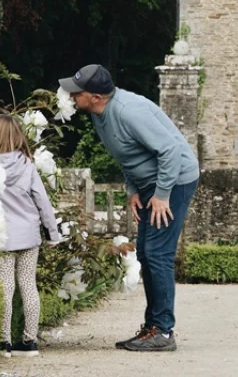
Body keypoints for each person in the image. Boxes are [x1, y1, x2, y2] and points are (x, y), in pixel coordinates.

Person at [59, 64, 199, 352]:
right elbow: (126, 154)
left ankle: (163, 331)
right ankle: (153, 328)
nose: (71, 96)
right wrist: (133, 190)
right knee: (147, 253)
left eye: (77, 92)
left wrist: (162, 195)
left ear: (95, 96)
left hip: (175, 181)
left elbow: (170, 150)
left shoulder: (127, 112)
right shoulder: (100, 115)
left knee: (158, 254)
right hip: (151, 184)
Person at [0, 114, 60, 358]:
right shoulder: (28, 164)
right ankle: (29, 341)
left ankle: (4, 342)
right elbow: (42, 202)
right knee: (28, 285)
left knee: (5, 287)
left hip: (2, 237)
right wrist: (53, 234)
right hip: (28, 236)